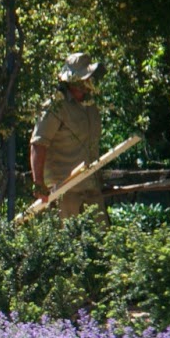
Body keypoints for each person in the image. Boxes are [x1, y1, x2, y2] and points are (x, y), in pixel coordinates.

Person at [30, 52, 104, 218]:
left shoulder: (90, 106)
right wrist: (39, 184)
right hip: (64, 192)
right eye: (84, 78)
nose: (88, 83)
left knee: (100, 240)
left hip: (91, 189)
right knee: (69, 241)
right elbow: (38, 143)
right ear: (73, 81)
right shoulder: (55, 107)